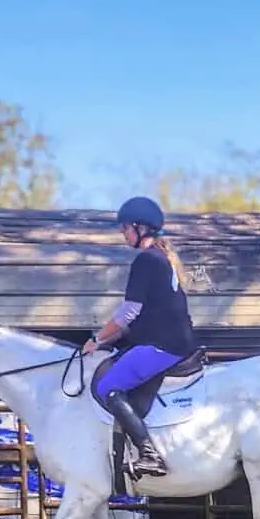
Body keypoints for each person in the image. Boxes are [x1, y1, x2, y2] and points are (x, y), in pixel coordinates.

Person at [83, 196, 197, 478]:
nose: (123, 233)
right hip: (169, 340)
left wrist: (97, 340)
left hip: (163, 345)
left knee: (107, 387)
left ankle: (150, 454)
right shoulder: (162, 259)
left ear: (140, 228)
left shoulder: (146, 260)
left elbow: (129, 312)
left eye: (125, 228)